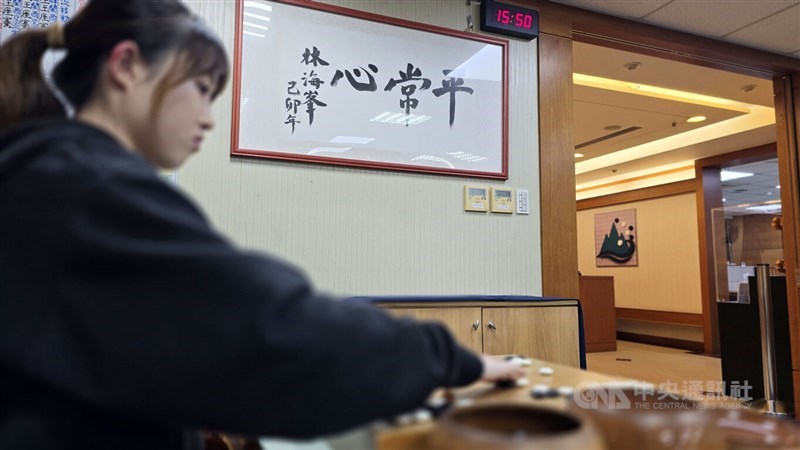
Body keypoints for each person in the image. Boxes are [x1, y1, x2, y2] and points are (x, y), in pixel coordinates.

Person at [0, 1, 526, 449]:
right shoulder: (86, 188)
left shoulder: (49, 174)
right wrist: (452, 361)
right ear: (127, 65)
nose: (208, 115)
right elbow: (266, 328)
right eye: (202, 88)